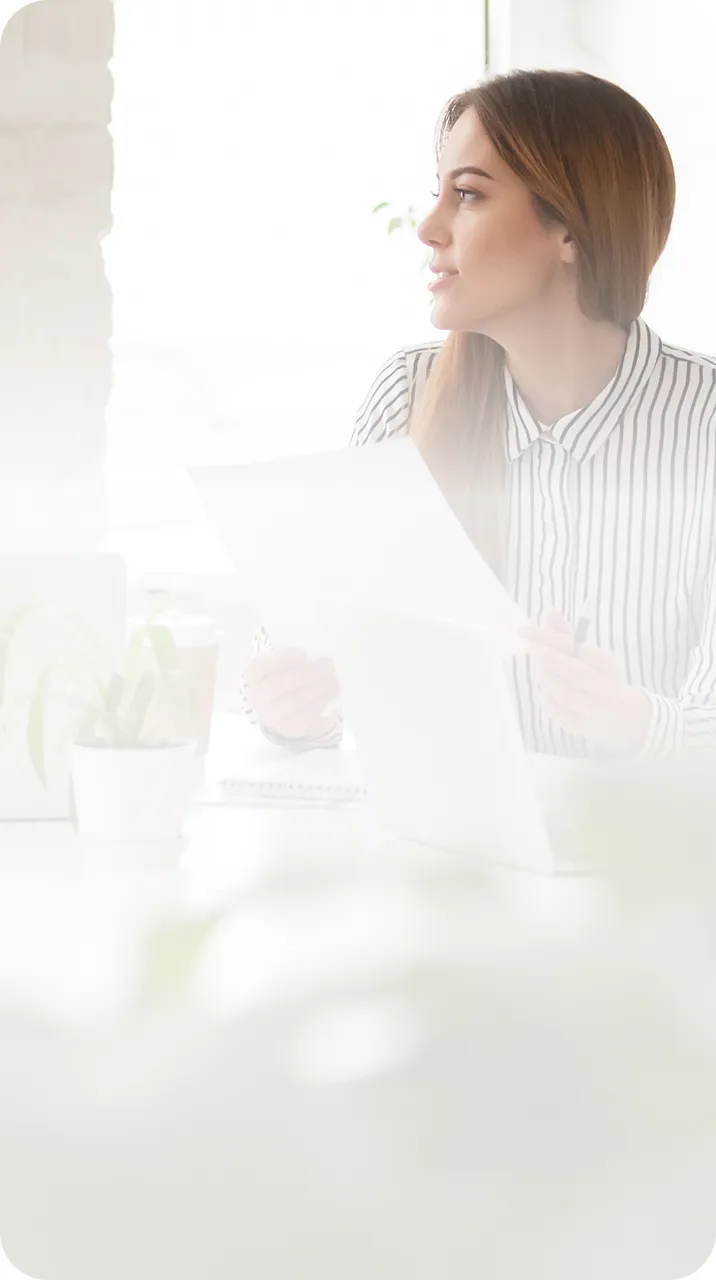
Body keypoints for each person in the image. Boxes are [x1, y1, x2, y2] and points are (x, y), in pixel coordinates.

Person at [241, 68, 716, 760]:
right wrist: (296, 705)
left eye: (466, 195)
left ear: (571, 231)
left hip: (649, 858)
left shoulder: (703, 424)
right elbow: (303, 649)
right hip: (442, 860)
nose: (429, 228)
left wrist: (637, 722)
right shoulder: (410, 392)